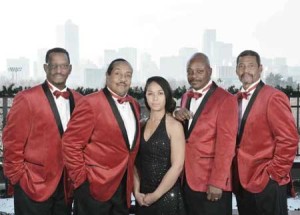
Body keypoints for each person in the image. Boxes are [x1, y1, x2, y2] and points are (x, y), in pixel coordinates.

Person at [3, 47, 82, 215]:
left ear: (70, 69)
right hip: (33, 184)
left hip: (66, 187)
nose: (59, 70)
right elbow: (11, 142)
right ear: (46, 68)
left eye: (63, 66)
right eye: (54, 66)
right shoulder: (27, 98)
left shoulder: (79, 100)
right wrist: (18, 179)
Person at [62, 58, 140, 215]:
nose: (123, 79)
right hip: (93, 188)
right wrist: (82, 181)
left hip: (123, 188)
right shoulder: (90, 103)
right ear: (107, 76)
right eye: (118, 73)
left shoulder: (133, 104)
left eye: (128, 75)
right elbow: (70, 144)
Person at [232, 50, 299, 215]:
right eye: (241, 66)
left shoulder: (273, 97)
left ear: (260, 68)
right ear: (236, 70)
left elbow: (289, 139)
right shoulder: (234, 99)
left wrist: (273, 174)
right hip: (241, 182)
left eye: (251, 66)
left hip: (266, 182)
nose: (245, 70)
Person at [174, 52, 238, 215]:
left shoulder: (226, 99)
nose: (193, 76)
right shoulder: (185, 97)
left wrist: (217, 182)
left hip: (211, 182)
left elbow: (226, 145)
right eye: (190, 71)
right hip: (186, 179)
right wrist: (175, 111)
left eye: (199, 71)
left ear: (210, 71)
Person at [133, 76, 186, 215]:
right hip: (142, 198)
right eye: (150, 93)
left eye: (160, 93)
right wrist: (136, 192)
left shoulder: (174, 126)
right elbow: (134, 163)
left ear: (167, 96)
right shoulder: (141, 125)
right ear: (145, 96)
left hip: (166, 197)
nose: (155, 98)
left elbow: (177, 166)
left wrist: (155, 195)